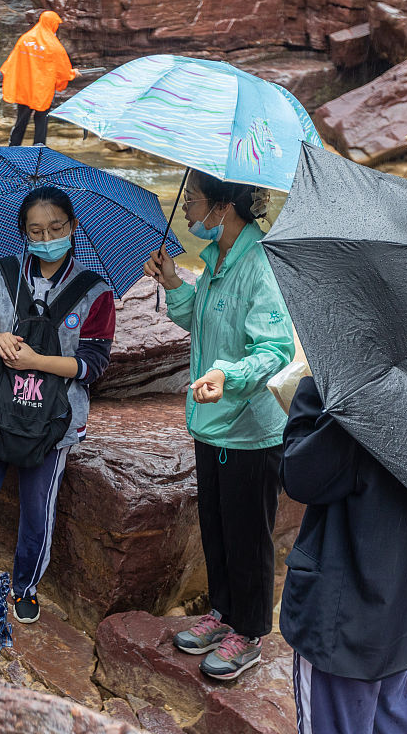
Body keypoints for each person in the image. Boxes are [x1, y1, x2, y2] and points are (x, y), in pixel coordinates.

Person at [0, 186, 116, 625]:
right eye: (35, 231)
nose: (46, 237)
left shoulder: (95, 291)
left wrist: (38, 362)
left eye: (56, 227)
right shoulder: (1, 273)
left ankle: (26, 585)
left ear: (72, 227)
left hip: (54, 420)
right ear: (23, 233)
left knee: (39, 508)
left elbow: (93, 364)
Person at [142, 172, 295, 680]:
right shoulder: (217, 260)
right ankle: (223, 614)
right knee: (217, 526)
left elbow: (274, 352)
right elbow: (205, 323)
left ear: (223, 209)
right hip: (211, 422)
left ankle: (249, 632)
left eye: (193, 201)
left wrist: (225, 377)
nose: (186, 209)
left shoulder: (261, 265)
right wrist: (173, 285)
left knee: (249, 535)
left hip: (249, 428)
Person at [282, 376, 407, 734]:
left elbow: (301, 477)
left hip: (344, 618)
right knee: (390, 717)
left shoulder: (359, 392)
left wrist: (321, 399)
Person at [0, 11, 79, 147]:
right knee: (41, 122)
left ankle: (13, 148)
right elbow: (62, 70)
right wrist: (73, 74)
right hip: (43, 91)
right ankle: (39, 151)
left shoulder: (26, 39)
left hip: (25, 89)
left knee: (21, 120)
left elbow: (11, 62)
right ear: (52, 24)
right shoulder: (54, 45)